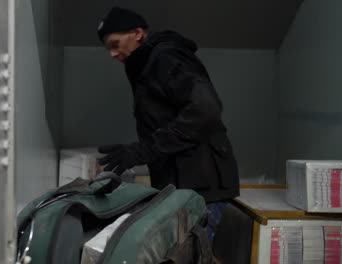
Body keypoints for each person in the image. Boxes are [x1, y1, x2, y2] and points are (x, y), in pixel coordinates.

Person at [96, 7, 240, 244]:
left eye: (115, 44)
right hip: (185, 183)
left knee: (191, 254)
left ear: (137, 33)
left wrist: (142, 150)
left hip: (201, 185)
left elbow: (205, 110)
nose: (112, 53)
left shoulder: (165, 57)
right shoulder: (144, 63)